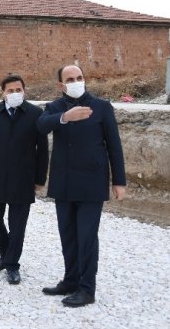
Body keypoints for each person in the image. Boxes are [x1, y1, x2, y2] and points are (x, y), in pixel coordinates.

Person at [37, 64, 126, 307]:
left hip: (91, 183)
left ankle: (87, 289)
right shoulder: (54, 108)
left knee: (86, 237)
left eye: (79, 77)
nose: (76, 81)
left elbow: (114, 146)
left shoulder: (101, 107)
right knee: (68, 236)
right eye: (70, 78)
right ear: (61, 85)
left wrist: (119, 181)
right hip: (64, 183)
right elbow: (41, 127)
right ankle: (70, 280)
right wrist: (65, 118)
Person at [0, 74, 48, 285]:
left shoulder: (35, 114)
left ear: (24, 91)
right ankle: (6, 255)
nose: (15, 94)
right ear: (3, 93)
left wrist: (40, 178)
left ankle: (12, 265)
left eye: (19, 90)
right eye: (10, 90)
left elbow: (42, 150)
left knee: (17, 227)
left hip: (23, 179)